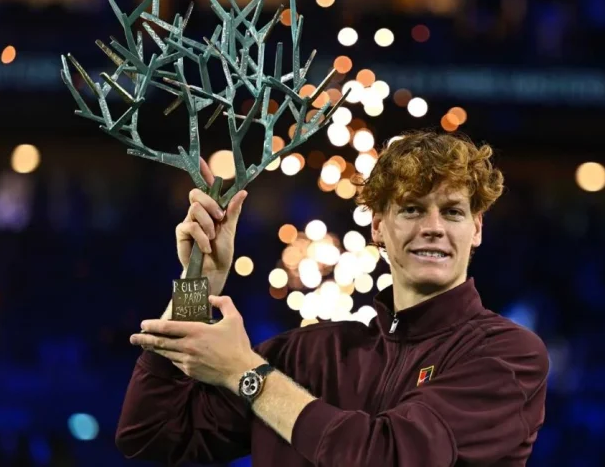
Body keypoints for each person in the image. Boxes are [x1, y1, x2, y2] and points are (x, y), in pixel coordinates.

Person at [119, 130, 549, 466]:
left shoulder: (508, 356)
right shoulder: (307, 355)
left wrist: (247, 374)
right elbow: (151, 431)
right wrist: (200, 282)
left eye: (452, 212)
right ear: (378, 226)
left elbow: (385, 457)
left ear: (476, 228)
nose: (433, 227)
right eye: (412, 209)